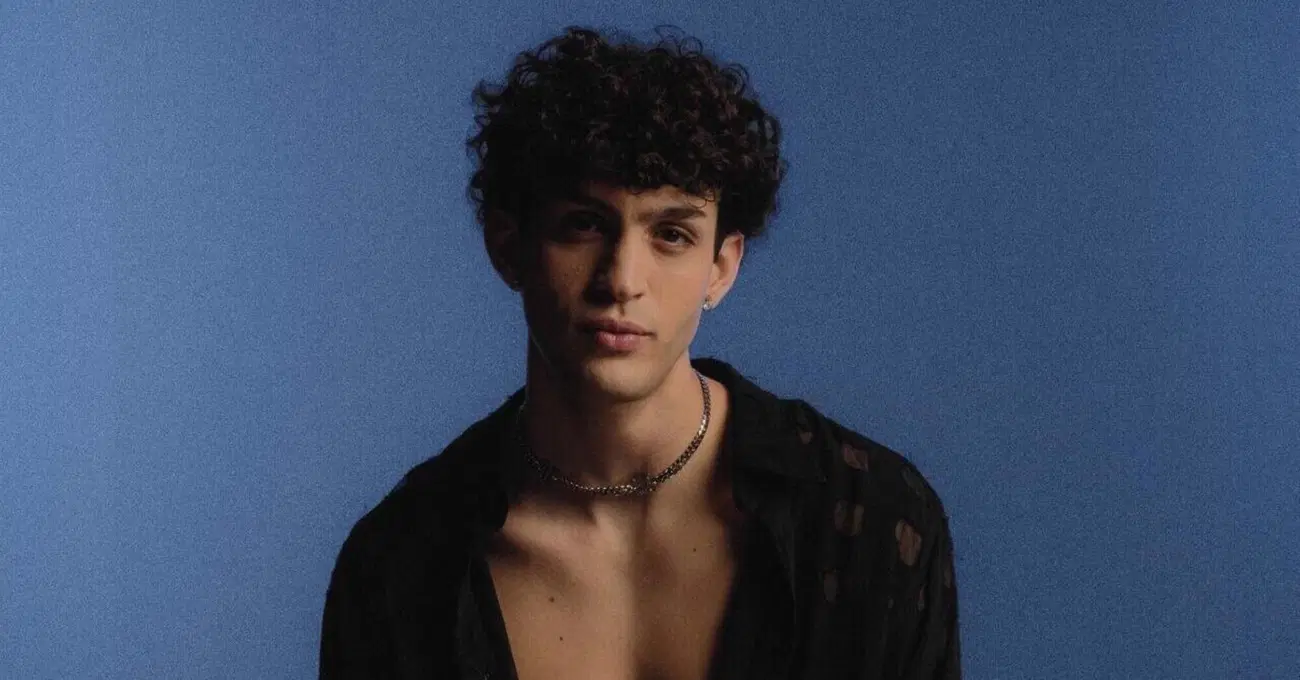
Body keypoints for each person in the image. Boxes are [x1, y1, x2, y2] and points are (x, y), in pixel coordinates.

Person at [319, 25, 960, 680]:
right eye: (584, 225)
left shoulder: (873, 524)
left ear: (722, 268)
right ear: (509, 247)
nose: (623, 280)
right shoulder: (399, 568)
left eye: (672, 234)